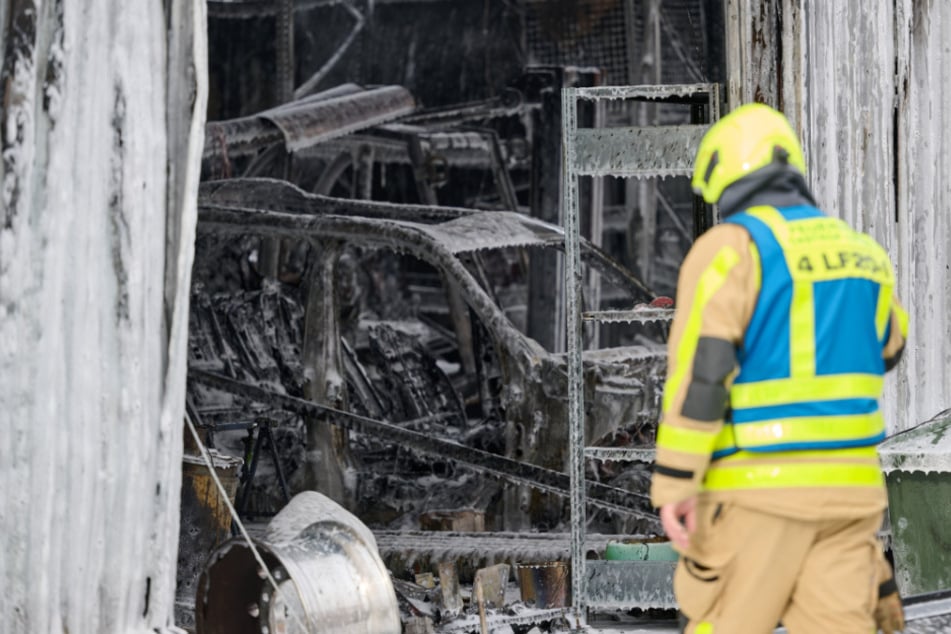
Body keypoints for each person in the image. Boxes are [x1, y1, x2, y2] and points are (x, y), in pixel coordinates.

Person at [649, 102, 909, 634]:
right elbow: (891, 346)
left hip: (759, 491)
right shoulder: (862, 253)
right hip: (852, 494)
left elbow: (702, 378)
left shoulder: (731, 249)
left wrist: (675, 482)